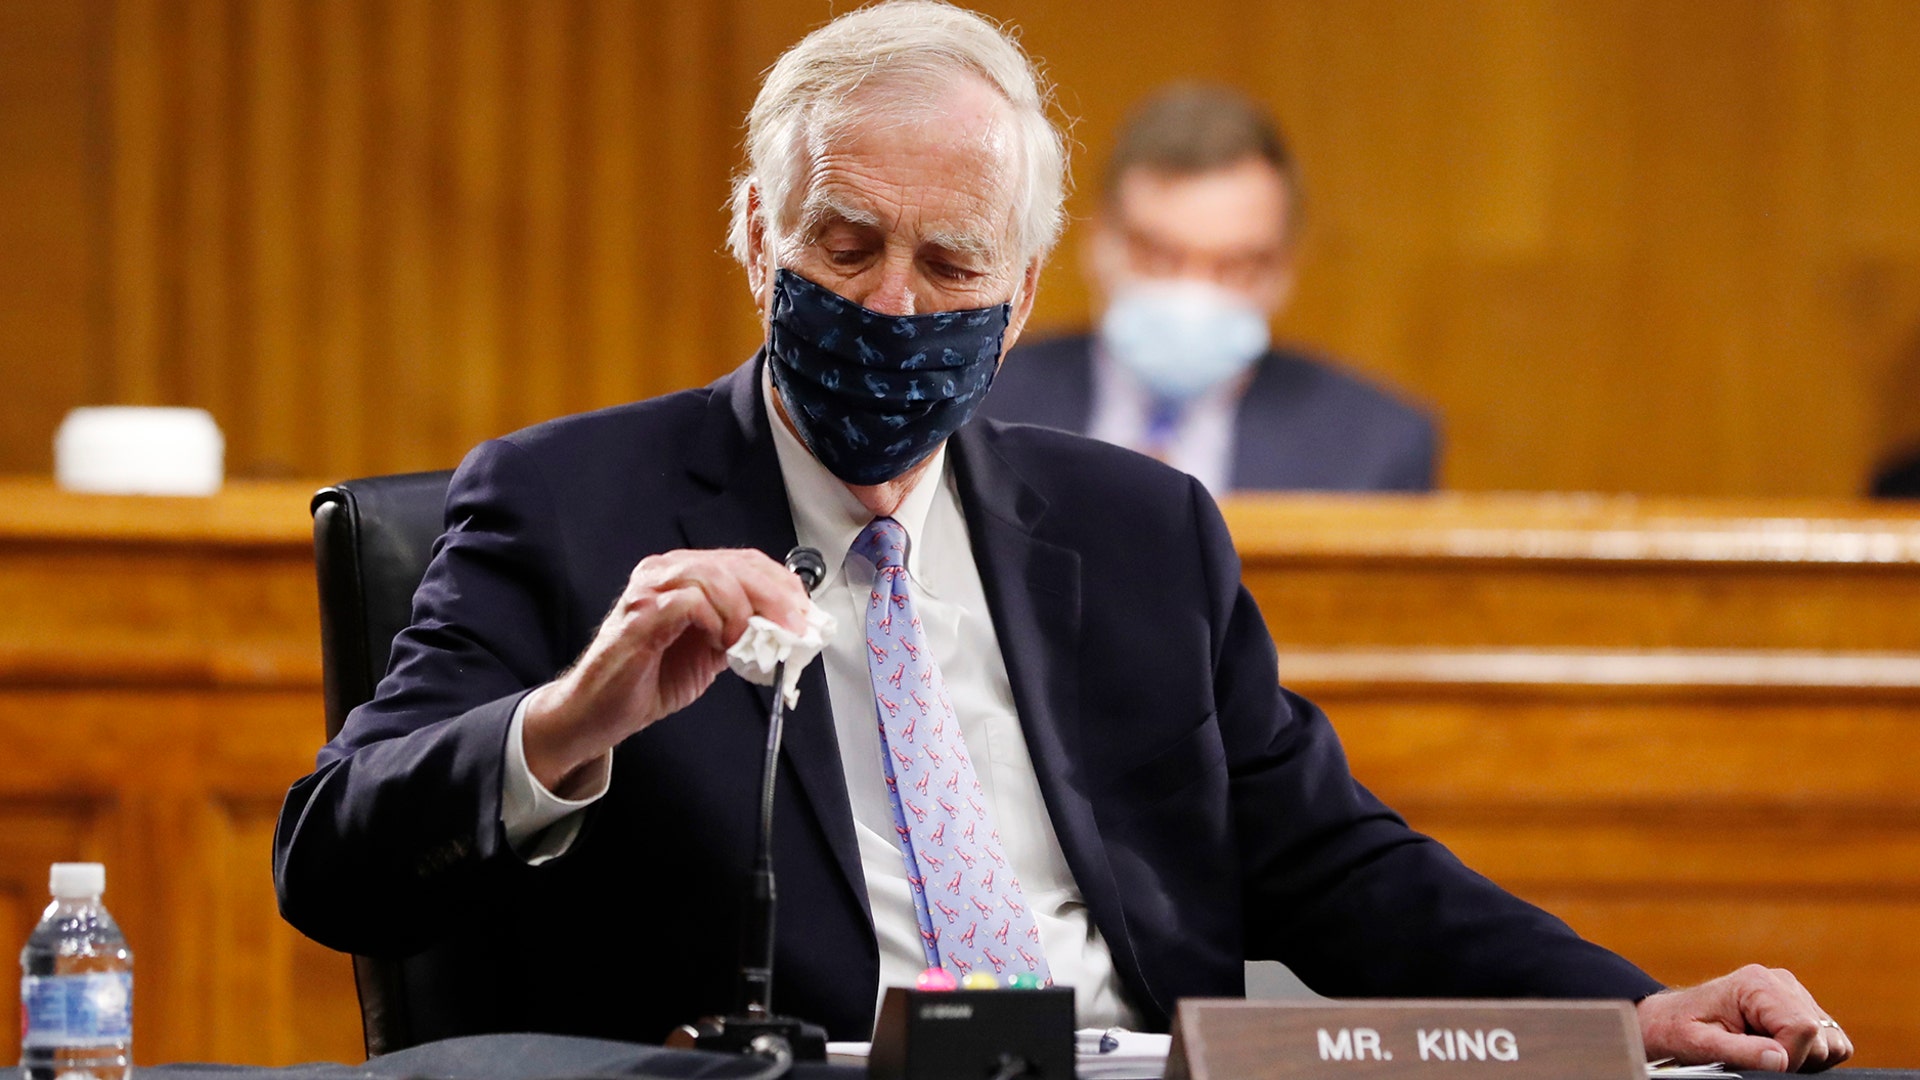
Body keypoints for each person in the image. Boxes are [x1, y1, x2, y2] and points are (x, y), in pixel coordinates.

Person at [272, 2, 1848, 1070]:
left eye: (951, 262)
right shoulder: (564, 506)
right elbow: (330, 858)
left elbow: (1333, 863)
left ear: (1027, 294)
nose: (892, 304)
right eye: (844, 242)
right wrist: (576, 717)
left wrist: (1631, 1011)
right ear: (756, 232)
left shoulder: (1141, 530)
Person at [982, 84, 1436, 494]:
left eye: (1236, 267)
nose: (1193, 294)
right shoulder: (978, 405)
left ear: (1284, 272)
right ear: (1097, 243)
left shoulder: (1375, 445)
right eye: (1159, 257)